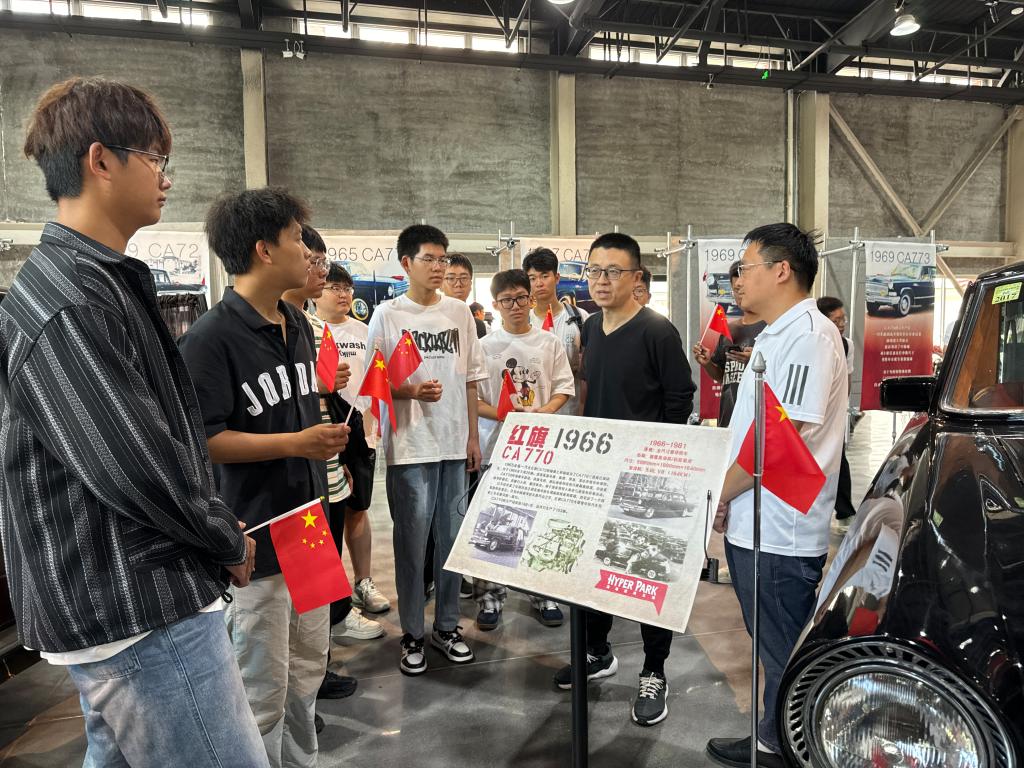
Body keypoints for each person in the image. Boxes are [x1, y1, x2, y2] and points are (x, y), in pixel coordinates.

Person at [1, 77, 267, 766]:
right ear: (100, 160)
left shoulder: (92, 281)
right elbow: (134, 467)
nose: (166, 178)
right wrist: (222, 537)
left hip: (128, 594)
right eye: (154, 158)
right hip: (138, 605)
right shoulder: (70, 302)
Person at [179, 188, 350, 768]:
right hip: (256, 535)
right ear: (264, 250)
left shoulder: (296, 323)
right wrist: (295, 443)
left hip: (311, 527)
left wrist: (317, 442)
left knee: (308, 670)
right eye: (298, 239)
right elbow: (204, 439)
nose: (309, 253)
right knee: (261, 688)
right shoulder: (209, 338)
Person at [706, 224, 847, 768]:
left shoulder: (809, 335)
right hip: (756, 519)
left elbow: (779, 441)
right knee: (770, 642)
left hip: (781, 530)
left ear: (781, 269)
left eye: (744, 268)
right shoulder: (774, 335)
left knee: (784, 647)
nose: (737, 281)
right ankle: (772, 735)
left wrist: (717, 492)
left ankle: (794, 748)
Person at [555, 233, 696, 728]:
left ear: (636, 277)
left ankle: (654, 670)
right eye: (594, 270)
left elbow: (680, 398)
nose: (601, 280)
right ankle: (598, 651)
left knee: (647, 573)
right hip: (598, 471)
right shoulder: (592, 327)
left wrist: (660, 461)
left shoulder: (658, 331)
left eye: (613, 271)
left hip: (648, 477)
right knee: (595, 566)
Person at [366, 224, 486, 676]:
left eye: (443, 259)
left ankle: (447, 627)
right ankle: (413, 632)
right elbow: (374, 383)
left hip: (453, 444)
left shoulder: (459, 313)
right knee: (412, 545)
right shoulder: (387, 315)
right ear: (406, 263)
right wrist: (411, 392)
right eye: (429, 259)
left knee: (452, 543)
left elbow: (471, 380)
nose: (438, 267)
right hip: (411, 447)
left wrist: (472, 437)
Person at [282, 226, 383, 710]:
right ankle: (295, 691)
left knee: (320, 577)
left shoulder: (318, 330)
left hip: (327, 472)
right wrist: (317, 387)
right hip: (285, 485)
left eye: (322, 262)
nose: (319, 272)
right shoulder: (238, 331)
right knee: (284, 597)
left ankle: (315, 673)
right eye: (312, 260)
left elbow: (331, 399)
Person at [473, 269, 574, 630]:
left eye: (520, 298)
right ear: (495, 304)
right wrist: (506, 415)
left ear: (531, 300)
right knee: (493, 521)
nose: (514, 306)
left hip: (540, 447)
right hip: (497, 447)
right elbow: (475, 400)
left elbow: (564, 389)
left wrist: (541, 414)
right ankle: (490, 596)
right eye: (506, 300)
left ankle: (541, 593)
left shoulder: (549, 343)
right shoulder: (484, 347)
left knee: (541, 520)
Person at [314, 257, 392, 615]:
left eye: (347, 288)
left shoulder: (364, 331)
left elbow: (378, 380)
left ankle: (363, 582)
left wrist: (374, 422)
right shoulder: (307, 331)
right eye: (335, 287)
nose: (343, 294)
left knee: (357, 510)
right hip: (321, 434)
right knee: (323, 518)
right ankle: (330, 597)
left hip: (360, 433)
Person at [692, 261, 766, 427]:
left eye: (742, 287)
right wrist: (707, 363)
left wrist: (755, 361)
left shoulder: (770, 327)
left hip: (757, 419)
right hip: (728, 416)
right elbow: (722, 376)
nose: (739, 293)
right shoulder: (729, 329)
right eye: (735, 289)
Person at [523, 248, 588, 415]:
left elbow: (588, 372)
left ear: (557, 278)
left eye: (545, 276)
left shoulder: (580, 317)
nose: (539, 283)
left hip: (571, 411)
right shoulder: (524, 322)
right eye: (532, 278)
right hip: (534, 411)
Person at [817, 296, 856, 521]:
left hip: (833, 412)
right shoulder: (815, 342)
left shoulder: (847, 345)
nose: (841, 325)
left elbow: (847, 380)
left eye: (843, 319)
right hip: (815, 410)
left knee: (838, 458)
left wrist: (839, 408)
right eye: (836, 320)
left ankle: (845, 509)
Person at [442, 253, 487, 338]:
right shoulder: (432, 320)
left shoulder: (478, 325)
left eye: (464, 278)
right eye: (451, 278)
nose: (458, 284)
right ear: (441, 284)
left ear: (471, 284)